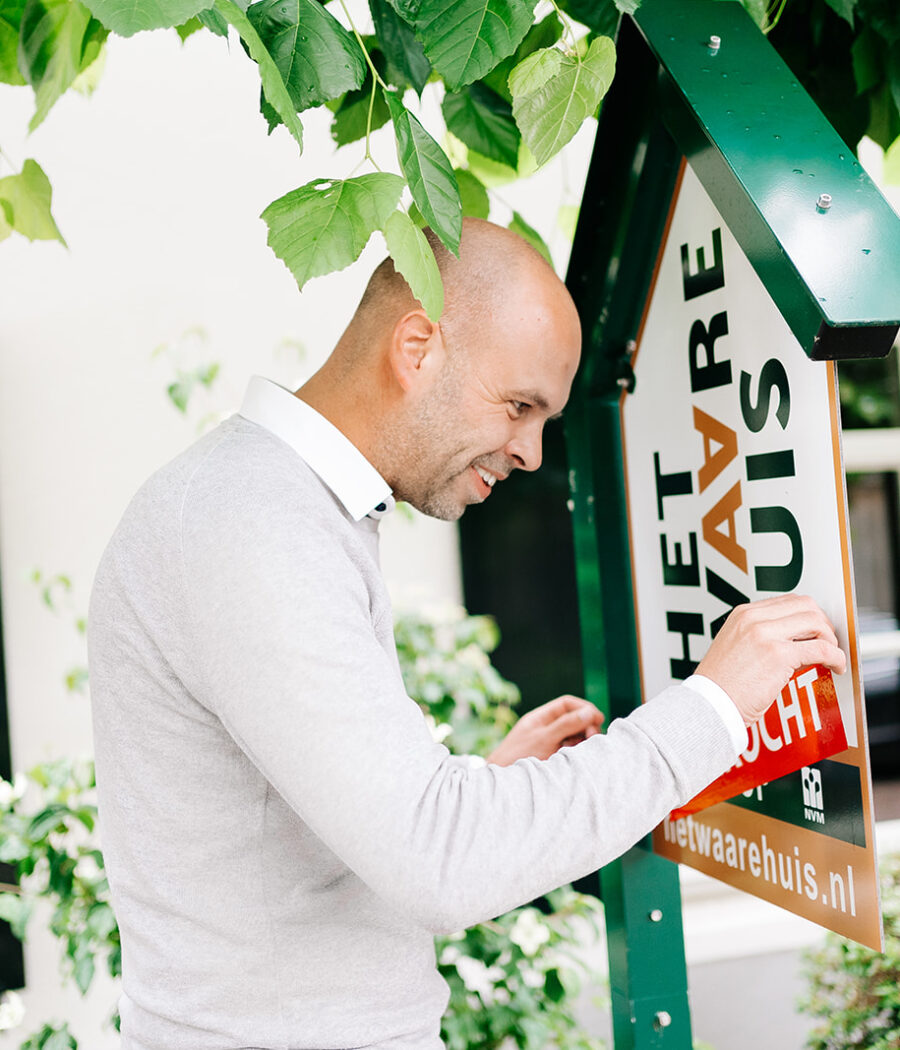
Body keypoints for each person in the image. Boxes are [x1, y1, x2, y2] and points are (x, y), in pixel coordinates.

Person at [88, 218, 846, 1050]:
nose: (530, 452)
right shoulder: (253, 522)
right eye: (520, 405)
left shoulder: (280, 508)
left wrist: (479, 791)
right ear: (416, 349)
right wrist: (714, 708)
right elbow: (438, 862)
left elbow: (306, 850)